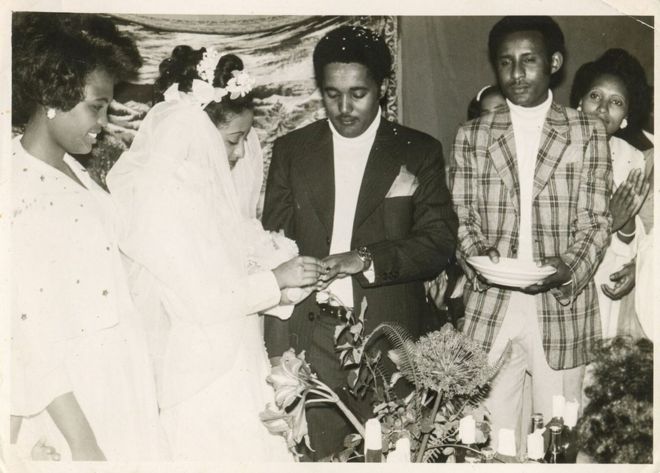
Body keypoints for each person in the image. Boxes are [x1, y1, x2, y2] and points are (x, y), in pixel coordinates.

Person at [107, 46, 323, 462]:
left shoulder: (205, 195)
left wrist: (281, 285)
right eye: (233, 140)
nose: (240, 153)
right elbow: (204, 300)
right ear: (197, 130)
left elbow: (229, 279)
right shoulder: (163, 200)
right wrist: (276, 279)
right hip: (202, 372)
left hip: (238, 355)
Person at [262, 25, 458, 459]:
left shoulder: (417, 151)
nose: (345, 107)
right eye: (332, 94)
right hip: (310, 339)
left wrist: (364, 258)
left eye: (358, 93)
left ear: (383, 87)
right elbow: (270, 246)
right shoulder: (292, 150)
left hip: (388, 343)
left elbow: (438, 242)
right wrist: (278, 349)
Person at [450, 16, 612, 452]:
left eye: (529, 61)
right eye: (506, 62)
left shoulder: (586, 132)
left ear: (554, 63)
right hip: (492, 302)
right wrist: (478, 253)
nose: (516, 73)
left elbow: (596, 219)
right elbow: (463, 216)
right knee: (488, 438)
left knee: (558, 434)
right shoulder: (473, 136)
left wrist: (569, 267)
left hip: (561, 306)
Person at [10, 12, 167, 461]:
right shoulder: (18, 186)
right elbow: (27, 333)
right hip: (74, 399)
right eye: (95, 106)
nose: (104, 121)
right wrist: (83, 441)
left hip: (119, 373)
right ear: (51, 97)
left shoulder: (76, 168)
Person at [570, 48, 652, 338]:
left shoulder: (634, 158)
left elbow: (632, 238)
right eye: (595, 96)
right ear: (580, 101)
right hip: (565, 282)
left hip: (607, 281)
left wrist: (626, 225)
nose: (603, 108)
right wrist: (612, 220)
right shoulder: (554, 148)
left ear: (626, 117)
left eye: (615, 102)